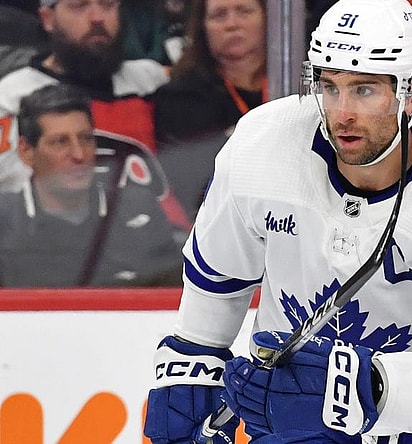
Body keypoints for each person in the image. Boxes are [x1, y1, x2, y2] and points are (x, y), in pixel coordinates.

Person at [143, 0, 412, 443]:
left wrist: (351, 386)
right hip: (298, 413)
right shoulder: (261, 148)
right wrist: (192, 367)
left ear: (411, 93)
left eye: (364, 90)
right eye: (330, 87)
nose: (342, 113)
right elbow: (216, 284)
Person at [0, 0, 192, 230]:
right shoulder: (12, 97)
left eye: (108, 5)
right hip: (66, 246)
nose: (97, 18)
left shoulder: (151, 80)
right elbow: (15, 201)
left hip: (168, 241)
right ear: (47, 19)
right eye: (80, 6)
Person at [0, 84, 183, 287]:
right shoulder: (4, 220)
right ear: (26, 152)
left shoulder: (139, 209)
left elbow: (169, 302)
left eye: (86, 139)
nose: (79, 154)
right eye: (60, 142)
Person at [153, 0, 268, 219]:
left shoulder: (305, 82)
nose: (232, 24)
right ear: (202, 27)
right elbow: (189, 183)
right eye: (219, 15)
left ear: (267, 18)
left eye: (244, 11)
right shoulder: (179, 98)